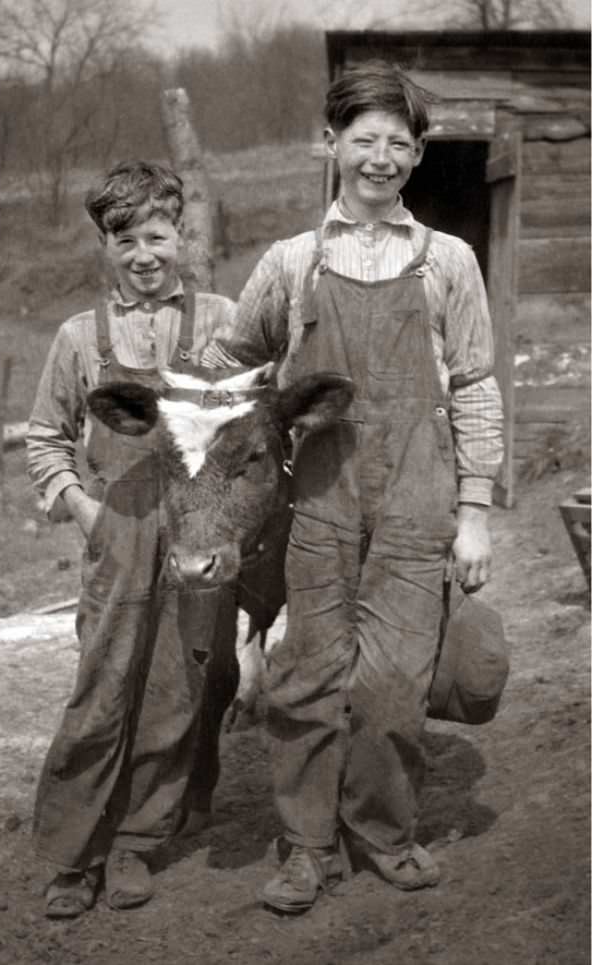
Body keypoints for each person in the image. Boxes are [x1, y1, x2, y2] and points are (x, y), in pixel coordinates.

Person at [202, 60, 504, 912]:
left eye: (398, 144)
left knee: (391, 683)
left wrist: (474, 513)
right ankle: (305, 845)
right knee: (306, 679)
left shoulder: (449, 261)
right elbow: (229, 362)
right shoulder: (290, 263)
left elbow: (477, 385)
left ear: (416, 157)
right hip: (321, 503)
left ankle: (384, 834)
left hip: (417, 499)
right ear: (329, 144)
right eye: (363, 140)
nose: (380, 158)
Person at [26, 160, 239, 918]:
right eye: (126, 240)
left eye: (158, 234)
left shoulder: (220, 319)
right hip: (116, 533)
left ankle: (136, 844)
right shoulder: (80, 337)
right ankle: (73, 852)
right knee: (102, 688)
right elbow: (45, 439)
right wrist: (84, 510)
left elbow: (244, 423)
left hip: (195, 525)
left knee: (174, 691)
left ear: (182, 236)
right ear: (105, 247)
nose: (144, 253)